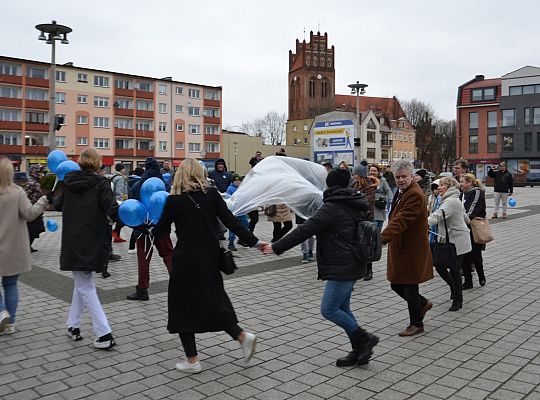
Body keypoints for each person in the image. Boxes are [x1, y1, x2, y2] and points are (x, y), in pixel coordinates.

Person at [154, 159, 267, 373]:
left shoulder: (174, 200)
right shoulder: (213, 195)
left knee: (182, 306)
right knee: (214, 300)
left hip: (186, 259)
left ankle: (192, 360)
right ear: (201, 173)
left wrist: (148, 227)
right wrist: (255, 242)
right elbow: (231, 221)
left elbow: (160, 230)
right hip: (210, 257)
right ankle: (243, 337)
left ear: (180, 175)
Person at [263, 168, 379, 367]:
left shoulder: (332, 208)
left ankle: (365, 338)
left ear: (330, 185)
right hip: (352, 261)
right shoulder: (353, 201)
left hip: (342, 265)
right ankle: (359, 350)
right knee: (342, 308)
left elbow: (304, 230)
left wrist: (275, 247)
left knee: (329, 309)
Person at [53, 149, 117, 348]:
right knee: (85, 285)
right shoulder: (101, 184)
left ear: (79, 163)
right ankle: (104, 332)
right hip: (93, 240)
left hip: (73, 241)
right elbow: (112, 209)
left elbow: (57, 205)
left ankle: (73, 324)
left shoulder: (68, 182)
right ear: (98, 164)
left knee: (82, 283)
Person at [381, 160, 433, 337]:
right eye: (398, 177)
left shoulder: (414, 195)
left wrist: (382, 238)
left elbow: (401, 220)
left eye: (404, 176)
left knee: (409, 286)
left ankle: (416, 324)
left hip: (411, 249)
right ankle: (422, 304)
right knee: (396, 284)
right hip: (402, 247)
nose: (401, 180)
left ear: (412, 176)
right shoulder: (403, 191)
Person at [0, 157, 50, 334]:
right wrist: (44, 200)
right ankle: (10, 323)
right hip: (13, 247)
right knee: (11, 284)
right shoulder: (17, 192)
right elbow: (29, 214)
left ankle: (0, 311)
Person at [127, 157, 173, 301]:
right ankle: (181, 284)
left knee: (143, 259)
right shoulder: (164, 183)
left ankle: (142, 290)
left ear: (146, 167)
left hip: (144, 228)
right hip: (161, 227)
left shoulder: (140, 183)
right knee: (169, 256)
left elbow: (133, 200)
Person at [428, 177, 471, 311]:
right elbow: (466, 218)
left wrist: (422, 223)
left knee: (454, 270)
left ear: (449, 186)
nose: (438, 187)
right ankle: (454, 288)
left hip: (456, 241)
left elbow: (438, 216)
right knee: (440, 265)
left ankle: (458, 299)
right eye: (438, 185)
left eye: (442, 185)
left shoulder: (450, 201)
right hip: (452, 240)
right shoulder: (451, 199)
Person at [351, 160, 377, 281]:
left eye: (355, 174)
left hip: (366, 219)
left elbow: (367, 202)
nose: (353, 176)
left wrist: (354, 201)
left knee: (367, 245)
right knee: (357, 245)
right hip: (356, 218)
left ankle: (369, 269)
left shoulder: (369, 186)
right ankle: (359, 268)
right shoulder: (354, 184)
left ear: (360, 174)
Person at [460, 173, 487, 288]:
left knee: (475, 254)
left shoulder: (477, 192)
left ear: (470, 183)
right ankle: (468, 281)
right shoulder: (461, 194)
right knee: (464, 255)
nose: (460, 184)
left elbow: (472, 210)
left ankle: (481, 276)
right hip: (464, 227)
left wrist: (463, 220)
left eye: (463, 182)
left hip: (474, 227)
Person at [25, 166, 45, 252]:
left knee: (38, 228)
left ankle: (28, 245)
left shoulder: (37, 182)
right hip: (32, 209)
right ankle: (27, 246)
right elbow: (26, 195)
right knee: (33, 228)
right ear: (33, 173)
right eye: (39, 172)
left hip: (38, 208)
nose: (41, 174)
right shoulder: (31, 182)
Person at [226, 175, 249, 251]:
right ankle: (231, 243)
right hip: (234, 211)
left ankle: (241, 239)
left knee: (245, 224)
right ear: (233, 181)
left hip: (242, 210)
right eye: (236, 180)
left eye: (239, 180)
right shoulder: (230, 188)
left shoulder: (242, 188)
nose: (237, 182)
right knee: (233, 226)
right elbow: (228, 198)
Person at [127, 167, 144, 254]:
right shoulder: (139, 182)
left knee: (136, 226)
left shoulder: (129, 180)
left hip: (130, 205)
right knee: (138, 227)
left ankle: (132, 246)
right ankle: (132, 246)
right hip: (138, 206)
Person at [370, 165, 392, 230]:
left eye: (374, 171)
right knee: (374, 226)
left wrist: (389, 200)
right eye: (371, 170)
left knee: (379, 226)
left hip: (380, 205)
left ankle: (378, 239)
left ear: (378, 172)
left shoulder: (382, 181)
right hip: (371, 206)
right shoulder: (367, 180)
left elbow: (388, 190)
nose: (372, 172)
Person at [111, 163, 128, 243]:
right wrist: (122, 202)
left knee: (118, 219)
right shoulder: (120, 178)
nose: (125, 170)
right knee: (122, 219)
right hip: (119, 202)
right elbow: (119, 191)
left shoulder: (113, 177)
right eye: (124, 168)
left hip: (113, 200)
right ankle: (115, 232)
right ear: (121, 169)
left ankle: (116, 236)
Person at [427, 180, 441, 246]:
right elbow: (430, 208)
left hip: (438, 219)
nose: (436, 190)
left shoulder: (441, 198)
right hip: (431, 218)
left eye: (438, 188)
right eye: (435, 189)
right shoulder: (430, 197)